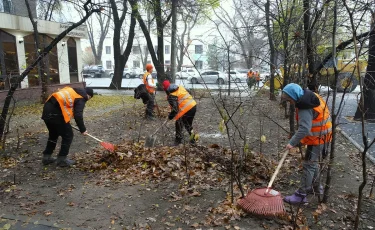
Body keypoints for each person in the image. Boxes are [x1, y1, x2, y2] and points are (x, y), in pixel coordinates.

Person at [281, 83, 332, 204]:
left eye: (289, 100)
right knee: (313, 163)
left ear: (294, 96)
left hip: (317, 139)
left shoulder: (305, 107)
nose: (290, 103)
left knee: (309, 165)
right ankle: (316, 187)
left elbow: (304, 128)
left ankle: (301, 195)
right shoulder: (311, 96)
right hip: (324, 135)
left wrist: (292, 142)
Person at [41, 86, 94, 167]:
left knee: (53, 135)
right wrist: (83, 129)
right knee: (68, 135)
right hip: (56, 114)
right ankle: (62, 159)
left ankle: (46, 157)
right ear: (88, 95)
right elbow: (78, 115)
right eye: (89, 98)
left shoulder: (72, 90)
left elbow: (63, 105)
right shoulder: (82, 97)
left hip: (47, 111)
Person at [162, 80, 197, 146]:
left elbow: (175, 109)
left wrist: (170, 116)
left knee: (178, 124)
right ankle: (193, 139)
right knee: (188, 124)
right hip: (193, 106)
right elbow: (188, 92)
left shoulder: (171, 95)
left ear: (166, 90)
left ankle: (178, 141)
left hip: (186, 110)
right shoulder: (180, 87)